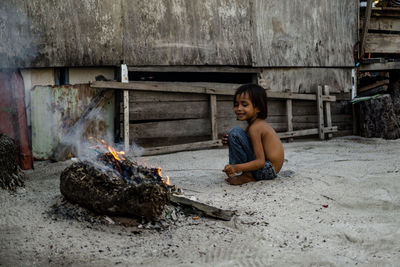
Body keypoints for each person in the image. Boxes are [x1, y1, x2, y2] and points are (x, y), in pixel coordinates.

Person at [222, 84, 284, 185]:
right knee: (235, 134)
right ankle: (246, 173)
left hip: (266, 170)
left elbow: (260, 162)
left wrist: (236, 167)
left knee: (235, 132)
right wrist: (230, 141)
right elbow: (250, 147)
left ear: (258, 108)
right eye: (236, 104)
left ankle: (248, 175)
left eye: (244, 105)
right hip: (269, 170)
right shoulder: (255, 125)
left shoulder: (255, 128)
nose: (238, 108)